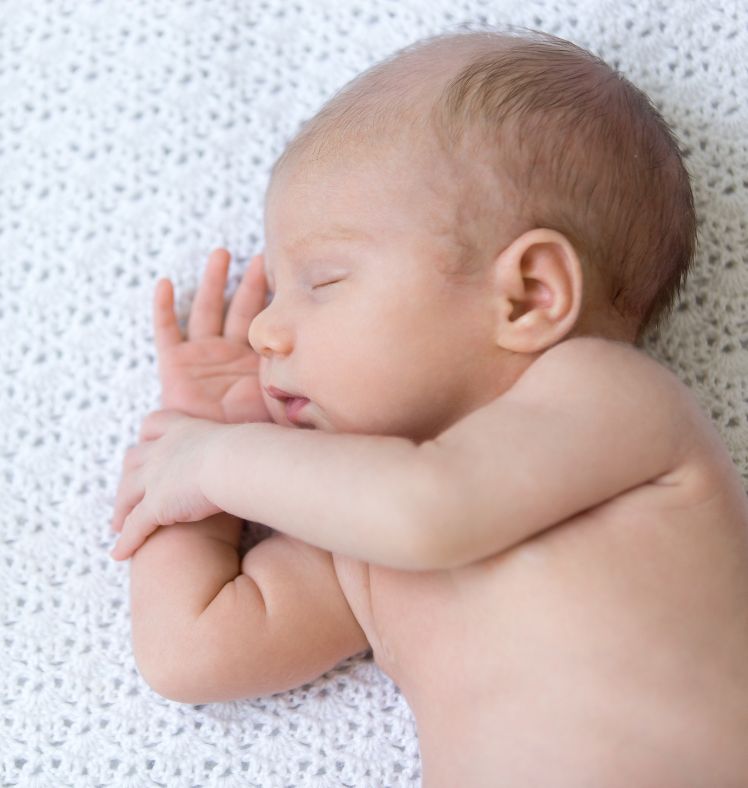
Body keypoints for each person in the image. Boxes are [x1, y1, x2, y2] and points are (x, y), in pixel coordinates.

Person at [109, 28, 748, 785]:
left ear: (528, 295)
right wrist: (195, 465)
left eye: (324, 282)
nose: (263, 330)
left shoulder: (609, 398)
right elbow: (193, 653)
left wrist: (218, 462)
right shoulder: (357, 539)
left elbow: (429, 507)